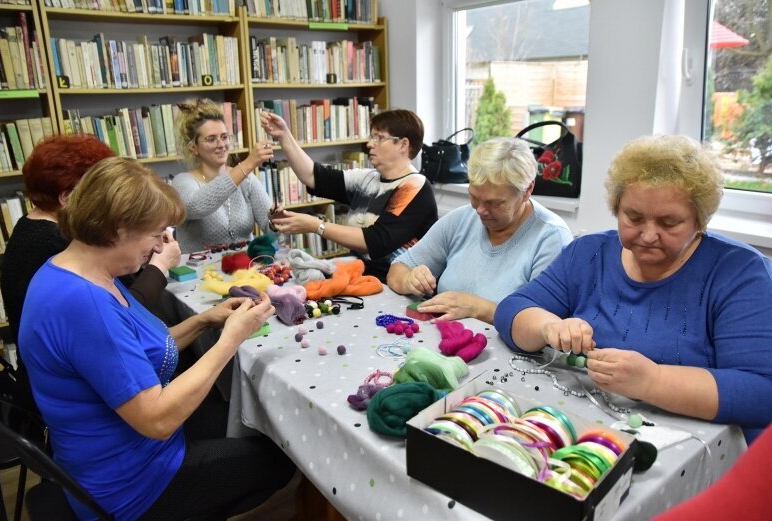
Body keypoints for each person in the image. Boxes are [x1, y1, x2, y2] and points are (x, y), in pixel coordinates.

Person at [18, 157, 295, 520]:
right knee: (282, 454)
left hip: (123, 449)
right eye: (156, 234)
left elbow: (135, 350)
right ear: (118, 229)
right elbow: (158, 419)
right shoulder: (84, 304)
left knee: (259, 420)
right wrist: (230, 339)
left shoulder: (78, 269)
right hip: (132, 484)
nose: (162, 244)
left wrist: (205, 321)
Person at [494, 135, 772, 443]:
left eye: (669, 223)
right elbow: (512, 310)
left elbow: (761, 392)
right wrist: (549, 327)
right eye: (633, 217)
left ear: (700, 220)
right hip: (589, 432)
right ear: (616, 208)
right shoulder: (588, 253)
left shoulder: (740, 272)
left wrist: (654, 381)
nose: (649, 235)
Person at [0, 134, 181, 411]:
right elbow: (118, 317)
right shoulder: (58, 251)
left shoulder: (47, 237)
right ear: (68, 198)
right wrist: (158, 266)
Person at [387, 137, 572, 323]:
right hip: (446, 339)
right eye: (474, 197)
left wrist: (476, 307)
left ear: (527, 190)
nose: (480, 210)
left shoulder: (551, 237)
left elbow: (543, 323)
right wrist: (409, 279)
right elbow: (397, 270)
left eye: (495, 203)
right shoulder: (462, 219)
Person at [261, 108, 439, 281]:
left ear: (403, 144)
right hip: (360, 274)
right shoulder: (367, 178)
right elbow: (314, 176)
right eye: (371, 137)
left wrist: (316, 226)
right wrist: (284, 135)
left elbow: (375, 241)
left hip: (392, 284)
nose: (370, 143)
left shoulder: (414, 186)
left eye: (379, 137)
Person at [171, 98, 276, 253]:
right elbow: (196, 206)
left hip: (244, 270)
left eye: (225, 137)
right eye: (211, 139)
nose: (222, 145)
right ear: (193, 148)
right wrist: (248, 163)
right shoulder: (182, 181)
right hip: (200, 274)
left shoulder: (247, 181)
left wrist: (276, 222)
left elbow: (272, 231)